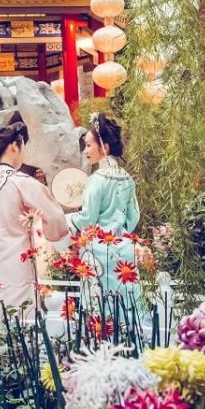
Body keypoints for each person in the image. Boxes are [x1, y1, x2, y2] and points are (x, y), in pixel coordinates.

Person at [0, 120, 68, 326]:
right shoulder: (23, 182)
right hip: (18, 266)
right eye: (23, 147)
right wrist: (52, 232)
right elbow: (56, 219)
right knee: (20, 327)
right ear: (15, 147)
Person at [67, 113, 142, 304]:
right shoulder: (127, 178)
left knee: (99, 309)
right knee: (126, 305)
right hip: (123, 251)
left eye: (89, 145)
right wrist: (118, 231)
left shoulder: (96, 180)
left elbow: (87, 219)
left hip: (97, 252)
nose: (85, 151)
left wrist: (67, 219)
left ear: (105, 147)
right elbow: (134, 217)